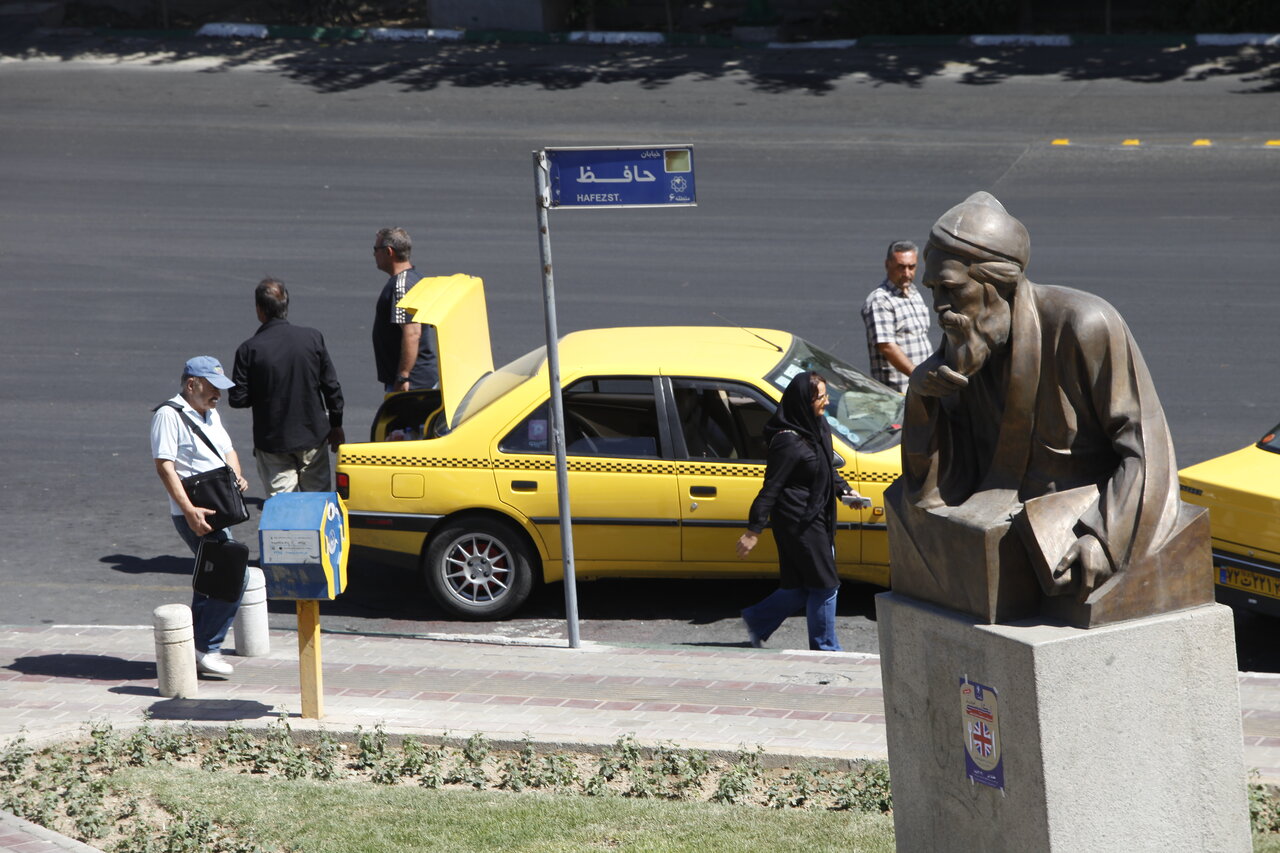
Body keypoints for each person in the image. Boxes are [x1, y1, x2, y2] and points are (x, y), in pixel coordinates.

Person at [888, 191, 1197, 624]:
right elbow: (938, 482)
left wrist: (1105, 540)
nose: (938, 306)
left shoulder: (1084, 325)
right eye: (933, 290)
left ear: (999, 285)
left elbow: (1147, 449)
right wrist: (922, 401)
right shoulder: (969, 337)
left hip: (1073, 523)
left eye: (952, 290)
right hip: (1001, 519)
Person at [735, 371, 865, 651]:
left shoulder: (817, 426)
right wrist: (753, 530)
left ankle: (757, 620)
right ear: (803, 401)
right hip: (799, 523)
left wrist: (846, 492)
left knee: (802, 587)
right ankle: (826, 648)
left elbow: (826, 467)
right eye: (821, 397)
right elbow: (771, 488)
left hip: (818, 515)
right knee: (826, 585)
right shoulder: (787, 442)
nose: (826, 402)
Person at [150, 356, 249, 676]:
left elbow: (228, 449)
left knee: (211, 578)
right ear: (191, 384)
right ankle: (207, 647)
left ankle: (193, 647)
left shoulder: (211, 413)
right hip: (195, 510)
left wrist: (236, 474)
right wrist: (188, 510)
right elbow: (165, 465)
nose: (218, 395)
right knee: (234, 574)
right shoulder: (168, 415)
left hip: (217, 504)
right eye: (212, 388)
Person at [230, 278, 345, 497]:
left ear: (259, 309)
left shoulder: (249, 349)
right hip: (313, 436)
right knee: (317, 503)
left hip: (273, 441)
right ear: (286, 306)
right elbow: (331, 387)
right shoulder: (312, 338)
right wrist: (336, 425)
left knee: (283, 507)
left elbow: (238, 399)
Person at [371, 227, 437, 393]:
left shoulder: (402, 285)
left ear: (388, 251)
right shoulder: (415, 278)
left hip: (412, 383)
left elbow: (413, 333)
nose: (374, 255)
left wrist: (403, 376)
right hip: (418, 379)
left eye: (375, 249)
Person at [861, 240, 932, 392]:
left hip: (921, 388)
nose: (907, 273)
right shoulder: (880, 300)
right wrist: (917, 374)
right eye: (901, 267)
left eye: (911, 267)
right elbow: (886, 346)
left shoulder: (914, 293)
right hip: (896, 394)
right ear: (888, 265)